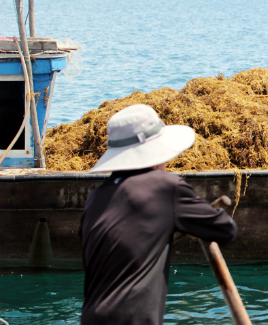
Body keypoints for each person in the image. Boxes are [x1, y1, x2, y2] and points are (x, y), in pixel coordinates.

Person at [79, 104, 237, 325]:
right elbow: (226, 230)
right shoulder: (164, 187)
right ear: (155, 155)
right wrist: (183, 219)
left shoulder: (96, 198)